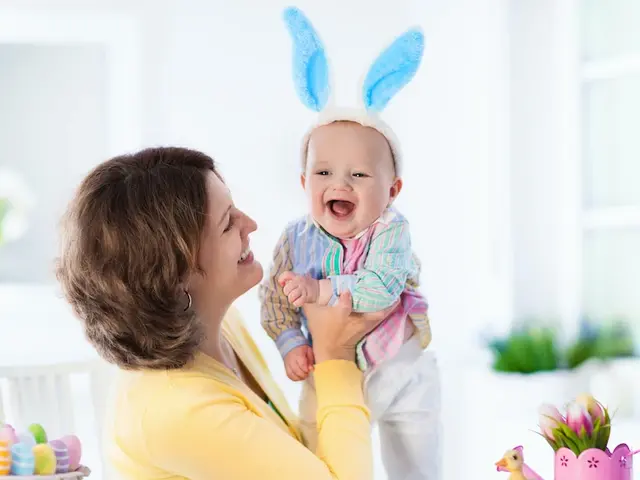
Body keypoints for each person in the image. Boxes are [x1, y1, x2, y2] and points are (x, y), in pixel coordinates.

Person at [56, 146, 392, 479]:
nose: (251, 224)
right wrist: (336, 357)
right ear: (173, 275)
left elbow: (301, 460)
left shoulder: (219, 326)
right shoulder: (179, 410)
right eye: (228, 223)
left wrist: (323, 345)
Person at [260, 7, 441, 479]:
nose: (339, 183)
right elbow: (273, 300)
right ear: (303, 181)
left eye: (359, 175)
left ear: (392, 191)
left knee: (418, 461)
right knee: (319, 451)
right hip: (330, 367)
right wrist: (289, 343)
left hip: (400, 365)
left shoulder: (391, 231)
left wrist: (319, 291)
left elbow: (380, 289)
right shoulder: (294, 239)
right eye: (323, 173)